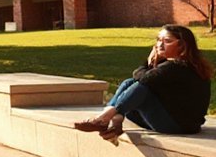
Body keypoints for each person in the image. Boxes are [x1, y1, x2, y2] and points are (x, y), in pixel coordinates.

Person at [74, 25, 213, 139]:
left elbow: (142, 79)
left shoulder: (177, 67)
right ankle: (114, 120)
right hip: (180, 123)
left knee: (142, 88)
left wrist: (149, 63)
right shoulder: (184, 65)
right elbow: (138, 79)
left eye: (167, 41)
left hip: (179, 126)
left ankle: (105, 118)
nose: (159, 45)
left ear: (182, 45)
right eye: (158, 40)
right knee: (129, 83)